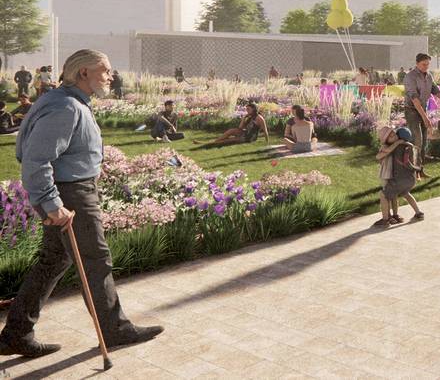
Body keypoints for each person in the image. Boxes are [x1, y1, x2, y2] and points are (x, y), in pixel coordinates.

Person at [0, 49, 163, 358]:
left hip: (69, 189)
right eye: (105, 70)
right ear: (84, 73)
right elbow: (35, 160)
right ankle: (115, 330)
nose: (111, 76)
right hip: (71, 194)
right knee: (95, 260)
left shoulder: (67, 101)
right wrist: (51, 203)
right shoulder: (65, 107)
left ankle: (16, 334)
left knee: (54, 260)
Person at [403, 53, 440, 168]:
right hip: (412, 111)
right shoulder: (410, 77)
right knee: (417, 140)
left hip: (423, 109)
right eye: (424, 64)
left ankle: (420, 169)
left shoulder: (429, 76)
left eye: (428, 64)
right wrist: (425, 118)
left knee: (424, 141)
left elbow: (436, 91)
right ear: (417, 63)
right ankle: (412, 168)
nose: (426, 67)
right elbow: (414, 99)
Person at [375, 125, 424, 226]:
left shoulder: (395, 147)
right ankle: (418, 213)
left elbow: (381, 155)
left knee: (384, 195)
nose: (393, 135)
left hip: (399, 180)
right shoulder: (409, 145)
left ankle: (385, 220)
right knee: (405, 193)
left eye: (394, 133)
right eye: (391, 135)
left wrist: (396, 143)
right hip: (410, 179)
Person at [193, 102, 268, 147]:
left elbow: (265, 131)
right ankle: (214, 141)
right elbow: (240, 127)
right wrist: (244, 118)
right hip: (245, 133)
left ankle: (205, 143)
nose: (247, 111)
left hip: (249, 137)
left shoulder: (260, 118)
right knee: (231, 131)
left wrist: (267, 142)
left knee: (227, 141)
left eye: (248, 109)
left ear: (253, 109)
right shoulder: (250, 116)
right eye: (246, 109)